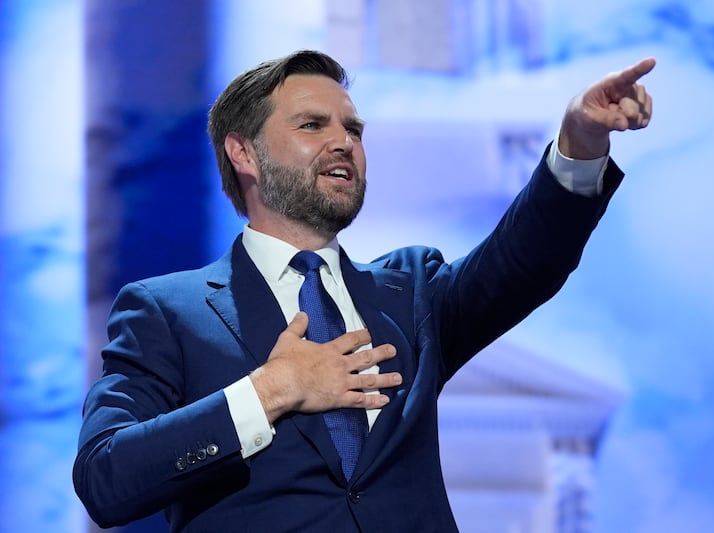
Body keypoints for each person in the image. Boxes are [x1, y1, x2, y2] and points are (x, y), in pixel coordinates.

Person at [73, 50, 654, 532]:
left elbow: (524, 260)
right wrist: (271, 392)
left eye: (352, 128)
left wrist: (579, 144)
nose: (343, 142)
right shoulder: (166, 311)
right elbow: (107, 479)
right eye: (312, 125)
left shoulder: (412, 292)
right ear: (243, 152)